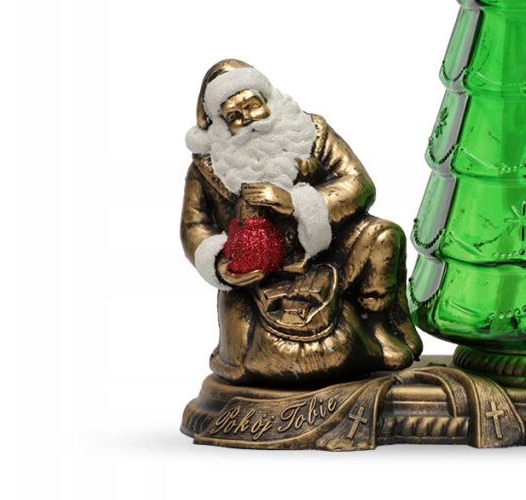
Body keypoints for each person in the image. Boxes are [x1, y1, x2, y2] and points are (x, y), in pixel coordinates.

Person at [181, 58, 422, 385]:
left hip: (327, 253)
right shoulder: (209, 167)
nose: (248, 120)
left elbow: (358, 183)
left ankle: (377, 327)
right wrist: (221, 266)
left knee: (382, 235)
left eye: (252, 106)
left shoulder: (311, 133)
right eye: (234, 117)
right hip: (257, 275)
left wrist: (296, 203)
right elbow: (194, 226)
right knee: (252, 359)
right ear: (222, 126)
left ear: (268, 100)